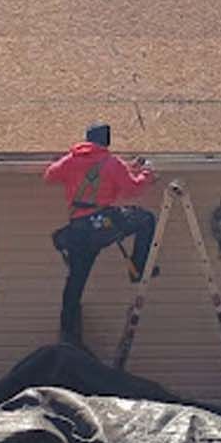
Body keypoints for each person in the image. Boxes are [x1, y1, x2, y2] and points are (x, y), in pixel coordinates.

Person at [44, 123, 157, 344]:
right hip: (103, 225)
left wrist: (62, 162)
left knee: (76, 281)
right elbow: (132, 189)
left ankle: (67, 329)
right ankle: (138, 268)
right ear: (106, 141)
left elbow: (49, 176)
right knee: (146, 219)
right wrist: (147, 175)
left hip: (78, 230)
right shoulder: (112, 163)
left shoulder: (71, 160)